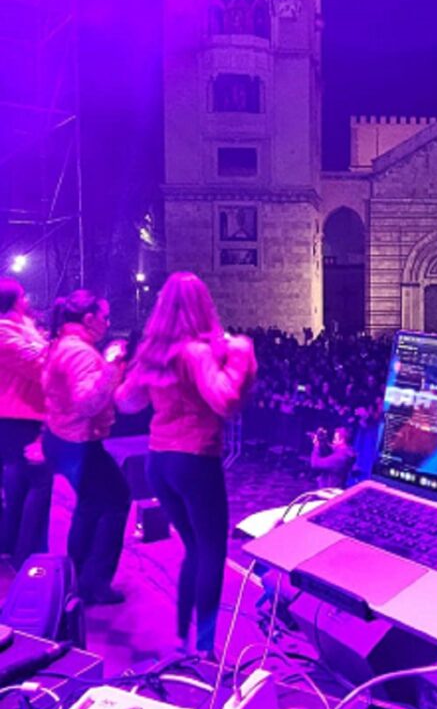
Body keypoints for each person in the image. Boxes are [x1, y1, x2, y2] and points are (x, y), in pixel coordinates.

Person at [116, 272, 256, 658]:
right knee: (212, 551)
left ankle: (182, 639)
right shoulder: (195, 352)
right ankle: (206, 648)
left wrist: (120, 364)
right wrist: (242, 352)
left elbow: (127, 402)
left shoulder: (154, 353)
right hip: (194, 460)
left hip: (157, 463)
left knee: (193, 550)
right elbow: (225, 400)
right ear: (202, 304)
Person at [42, 290, 130, 604]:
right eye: (104, 317)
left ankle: (77, 576)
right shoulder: (80, 352)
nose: (108, 323)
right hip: (78, 442)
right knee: (117, 500)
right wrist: (110, 364)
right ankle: (95, 584)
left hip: (63, 438)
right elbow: (87, 403)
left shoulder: (64, 344)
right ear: (88, 318)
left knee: (91, 505)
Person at [0, 279, 52, 567]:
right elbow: (40, 367)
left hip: (24, 416)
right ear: (14, 301)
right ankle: (28, 553)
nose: (28, 301)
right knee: (39, 484)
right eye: (23, 296)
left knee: (18, 485)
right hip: (16, 418)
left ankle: (12, 547)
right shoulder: (4, 334)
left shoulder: (19, 330)